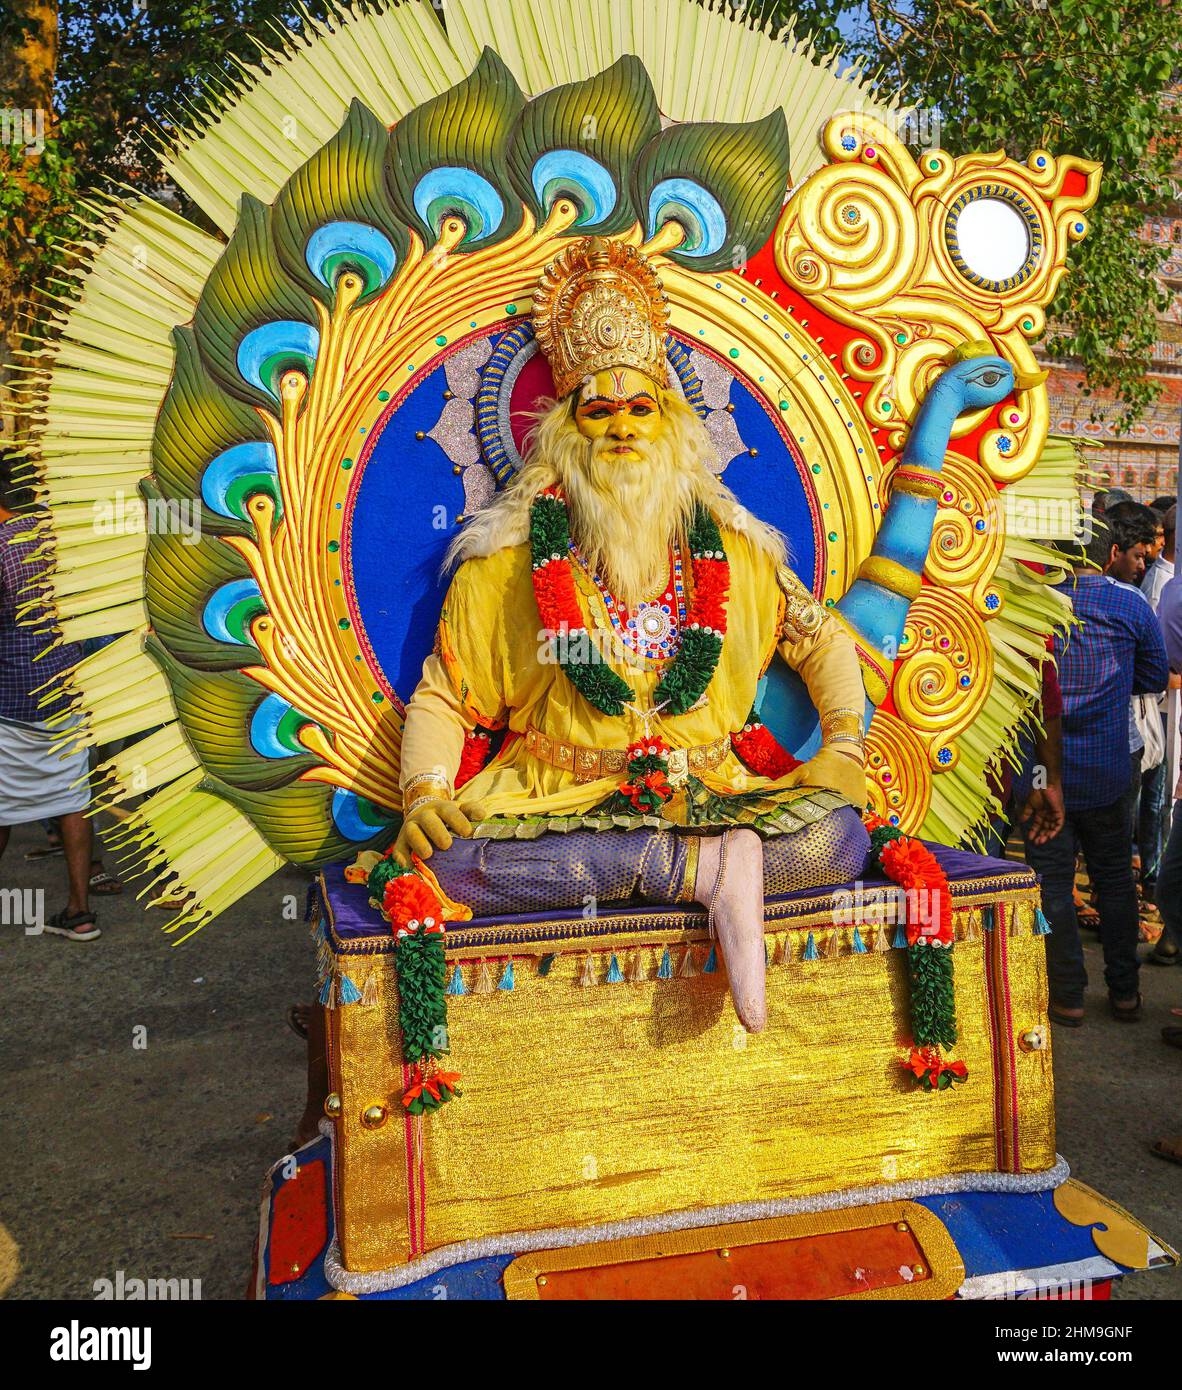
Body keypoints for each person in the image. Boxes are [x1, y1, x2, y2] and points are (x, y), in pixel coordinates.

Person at [390, 237, 869, 1033]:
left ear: (674, 424)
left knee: (836, 841)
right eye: (599, 412)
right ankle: (707, 872)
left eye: (640, 408)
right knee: (449, 862)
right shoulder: (505, 567)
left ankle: (698, 861)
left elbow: (824, 641)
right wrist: (426, 795)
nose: (621, 430)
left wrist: (846, 746)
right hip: (558, 800)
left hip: (716, 793)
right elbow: (445, 695)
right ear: (564, 436)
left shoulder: (739, 551)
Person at [1019, 512, 1167, 1025]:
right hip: (1111, 767)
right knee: (1114, 880)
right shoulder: (1130, 604)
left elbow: (1022, 694)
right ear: (1109, 554)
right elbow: (1151, 676)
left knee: (1054, 882)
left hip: (1041, 773)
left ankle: (1069, 996)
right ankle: (1125, 994)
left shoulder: (1033, 608)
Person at [0, 475, 101, 939]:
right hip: (66, 690)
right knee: (73, 799)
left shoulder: (2, 547)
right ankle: (79, 911)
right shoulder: (60, 538)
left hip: (11, 698)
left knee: (2, 805)